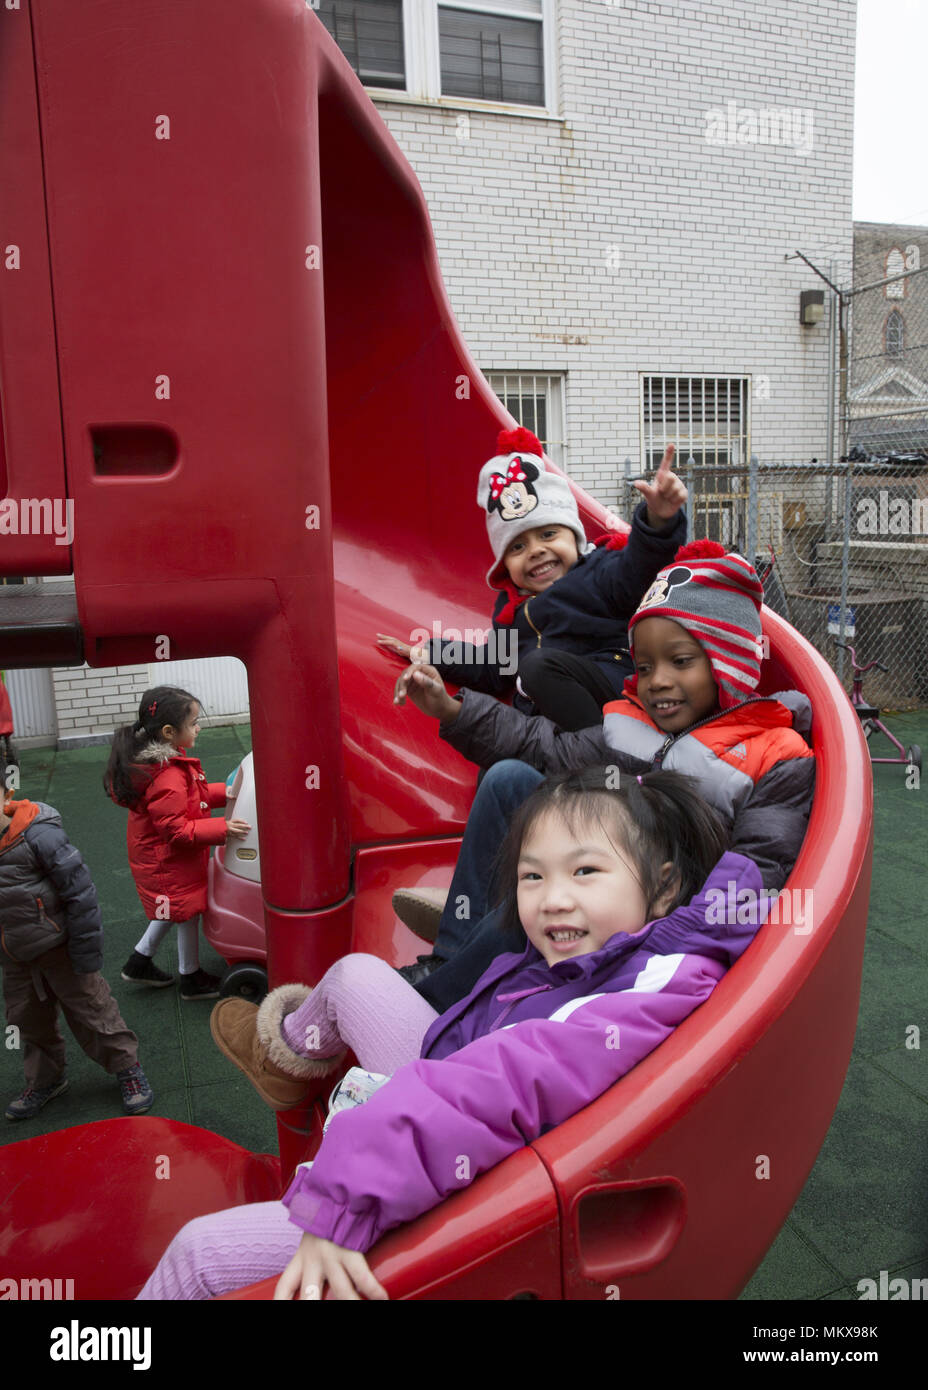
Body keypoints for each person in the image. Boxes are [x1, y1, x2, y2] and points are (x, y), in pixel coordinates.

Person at [139, 766, 768, 1301]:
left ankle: (323, 1091)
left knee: (199, 1253)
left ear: (662, 887)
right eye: (533, 876)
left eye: (584, 873)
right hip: (439, 1093)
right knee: (356, 975)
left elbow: (499, 1084)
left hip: (440, 1181)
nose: (551, 900)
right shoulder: (607, 950)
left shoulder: (645, 987)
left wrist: (341, 1204)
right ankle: (292, 1053)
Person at [390, 541, 817, 1004]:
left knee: (529, 910)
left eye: (680, 662)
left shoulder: (774, 751)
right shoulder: (632, 727)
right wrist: (452, 709)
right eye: (646, 665)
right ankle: (453, 952)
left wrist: (680, 937)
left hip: (658, 906)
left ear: (728, 664)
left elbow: (760, 866)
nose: (657, 681)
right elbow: (547, 747)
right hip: (600, 863)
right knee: (509, 777)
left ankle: (433, 1001)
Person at [377, 429, 687, 732]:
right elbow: (495, 666)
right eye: (517, 547)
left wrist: (657, 522)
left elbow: (639, 571)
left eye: (549, 534)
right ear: (504, 563)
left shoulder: (600, 571)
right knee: (499, 772)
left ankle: (604, 759)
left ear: (575, 537)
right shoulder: (512, 610)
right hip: (548, 724)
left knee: (538, 668)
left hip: (611, 695)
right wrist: (431, 652)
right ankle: (552, 768)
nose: (536, 551)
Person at [1, 758, 154, 1120]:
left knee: (92, 1011)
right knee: (27, 1019)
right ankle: (46, 1080)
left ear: (7, 792)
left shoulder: (39, 835)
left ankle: (126, 1067)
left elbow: (80, 893)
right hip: (15, 957)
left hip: (60, 949)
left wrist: (84, 951)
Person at [103, 687, 250, 1001]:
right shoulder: (166, 775)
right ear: (169, 732)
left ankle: (140, 961)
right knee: (185, 912)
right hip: (166, 859)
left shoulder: (168, 764)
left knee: (176, 910)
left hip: (165, 858)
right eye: (194, 722)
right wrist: (224, 828)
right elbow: (177, 830)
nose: (198, 727)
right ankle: (190, 976)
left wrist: (228, 794)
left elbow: (191, 799)